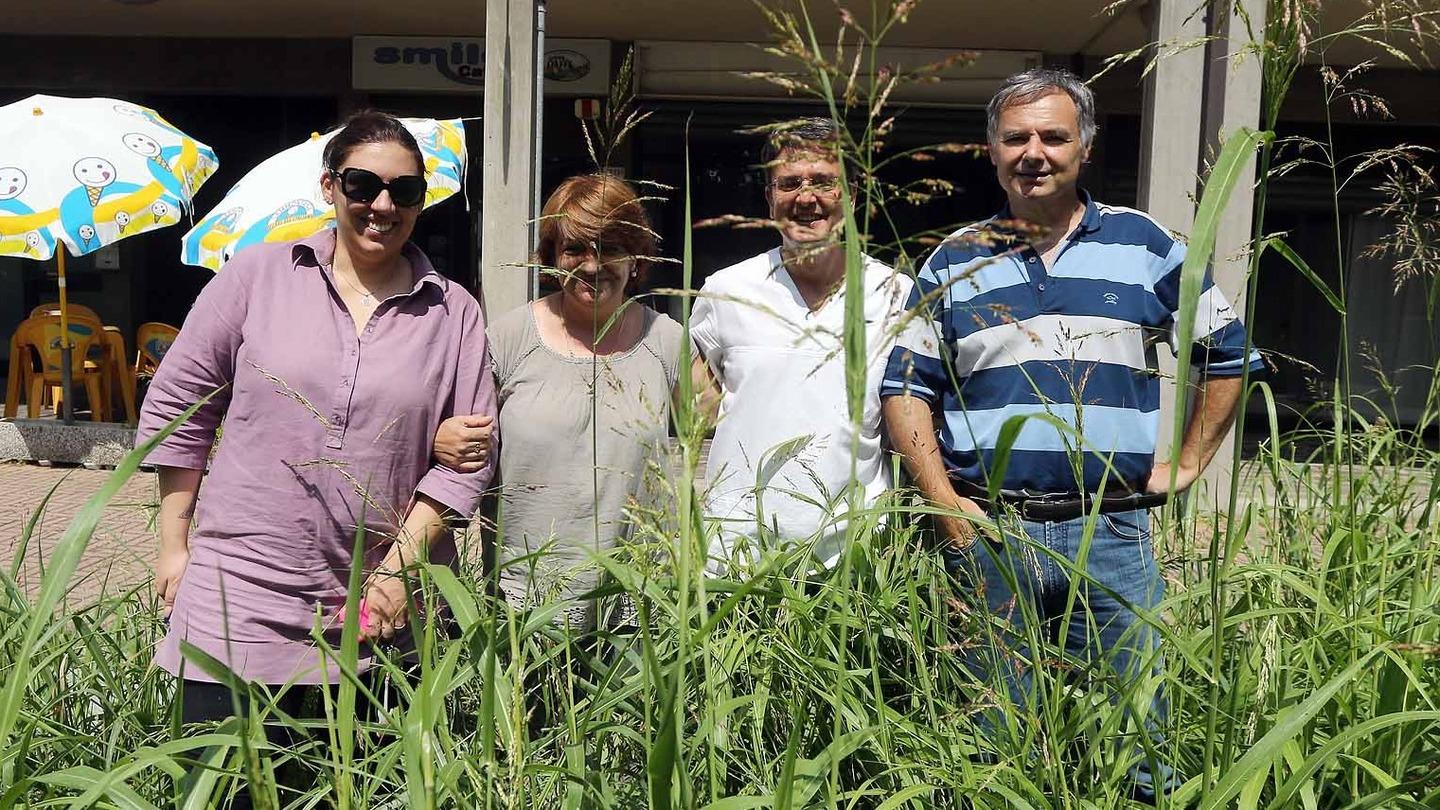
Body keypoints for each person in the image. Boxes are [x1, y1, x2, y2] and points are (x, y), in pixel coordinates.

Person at [880, 68, 1262, 801]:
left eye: (1053, 136)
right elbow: (905, 388)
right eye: (1015, 137)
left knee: (1138, 740)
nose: (1034, 152)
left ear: (1084, 145)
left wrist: (1185, 466)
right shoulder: (953, 258)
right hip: (992, 538)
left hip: (1113, 535)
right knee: (989, 744)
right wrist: (944, 504)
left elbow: (1229, 353)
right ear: (991, 151)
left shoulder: (1145, 245)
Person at [138, 110, 496, 768]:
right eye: (363, 185)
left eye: (405, 191)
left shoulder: (453, 312)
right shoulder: (256, 277)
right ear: (330, 187)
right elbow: (177, 407)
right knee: (217, 788)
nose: (383, 205)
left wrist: (395, 573)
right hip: (237, 600)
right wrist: (172, 545)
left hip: (379, 614)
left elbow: (470, 462)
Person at [437, 173, 682, 629]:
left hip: (637, 605)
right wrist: (443, 436)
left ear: (636, 257)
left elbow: (720, 424)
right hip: (524, 603)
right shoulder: (508, 339)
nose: (592, 265)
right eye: (575, 249)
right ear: (550, 258)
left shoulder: (667, 341)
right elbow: (455, 430)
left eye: (610, 247)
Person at [690, 117, 913, 570]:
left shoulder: (895, 293)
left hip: (856, 560)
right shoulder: (725, 292)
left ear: (851, 196)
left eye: (824, 183)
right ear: (770, 197)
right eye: (789, 183)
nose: (806, 198)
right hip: (737, 556)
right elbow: (700, 407)